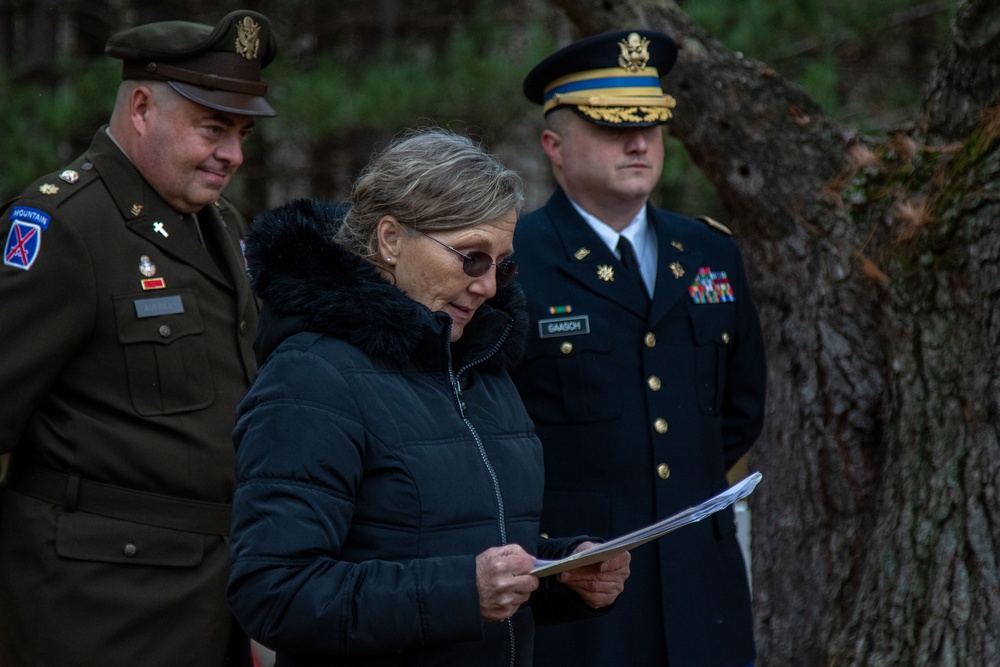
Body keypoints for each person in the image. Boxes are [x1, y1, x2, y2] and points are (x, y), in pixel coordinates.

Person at [226, 128, 631, 666]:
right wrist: (463, 592)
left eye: (502, 264)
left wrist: (560, 574)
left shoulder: (482, 365)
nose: (488, 286)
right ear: (391, 240)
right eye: (471, 258)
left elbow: (463, 549)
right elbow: (274, 593)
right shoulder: (311, 378)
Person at [0, 10, 278, 666]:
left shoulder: (219, 223)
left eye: (241, 133)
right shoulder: (64, 227)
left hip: (208, 591)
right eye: (213, 127)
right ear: (143, 108)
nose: (233, 154)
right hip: (93, 603)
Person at [511, 30, 767, 667]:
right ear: (555, 147)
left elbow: (739, 408)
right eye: (611, 127)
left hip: (701, 582)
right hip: (579, 587)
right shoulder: (516, 259)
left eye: (651, 126)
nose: (638, 143)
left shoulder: (709, 252)